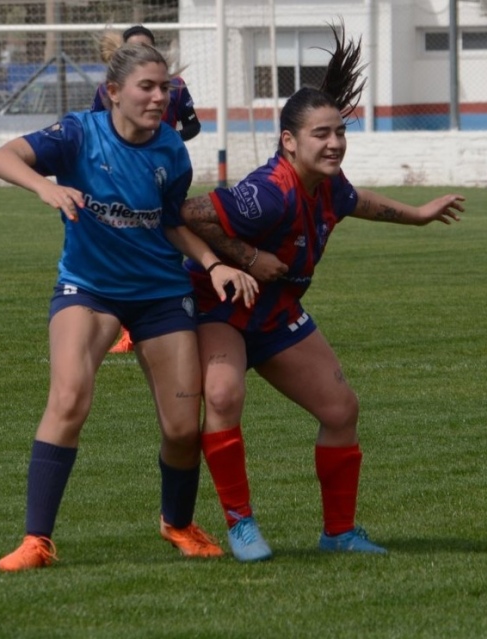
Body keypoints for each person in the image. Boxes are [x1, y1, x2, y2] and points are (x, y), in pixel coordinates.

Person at [178, 23, 465, 562]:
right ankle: (241, 524)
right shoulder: (266, 194)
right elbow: (183, 213)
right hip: (221, 306)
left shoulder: (327, 183)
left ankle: (339, 533)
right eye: (321, 134)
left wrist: (420, 215)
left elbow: (358, 201)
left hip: (277, 311)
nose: (334, 143)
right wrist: (241, 258)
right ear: (289, 141)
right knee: (221, 396)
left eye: (339, 131)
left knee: (340, 409)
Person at [0, 39, 258, 571]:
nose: (160, 98)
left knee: (182, 427)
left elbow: (172, 221)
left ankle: (176, 522)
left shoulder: (171, 151)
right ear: (113, 92)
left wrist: (213, 262)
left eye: (165, 89)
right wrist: (45, 186)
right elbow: (1, 157)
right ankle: (36, 540)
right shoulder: (77, 134)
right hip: (88, 289)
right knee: (68, 399)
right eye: (148, 88)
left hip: (160, 294)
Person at [94, 25, 203, 354]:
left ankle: (178, 315)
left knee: (168, 237)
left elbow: (194, 125)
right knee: (127, 247)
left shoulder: (177, 88)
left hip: (163, 172)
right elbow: (99, 131)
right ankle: (130, 328)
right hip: (122, 177)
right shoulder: (105, 90)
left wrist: (164, 144)